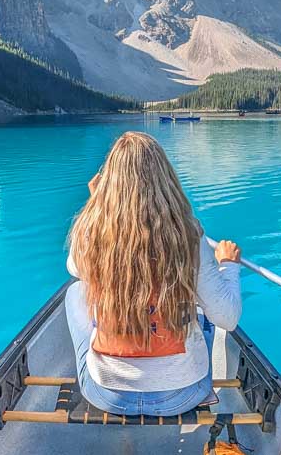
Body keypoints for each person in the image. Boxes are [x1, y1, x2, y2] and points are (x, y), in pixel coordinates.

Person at [65, 131, 242, 417]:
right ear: (165, 179)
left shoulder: (91, 232)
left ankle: (107, 365)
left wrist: (95, 206)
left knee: (76, 291)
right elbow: (228, 319)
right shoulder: (189, 237)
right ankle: (198, 381)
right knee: (205, 304)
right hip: (184, 395)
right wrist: (228, 267)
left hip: (106, 395)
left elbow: (75, 268)